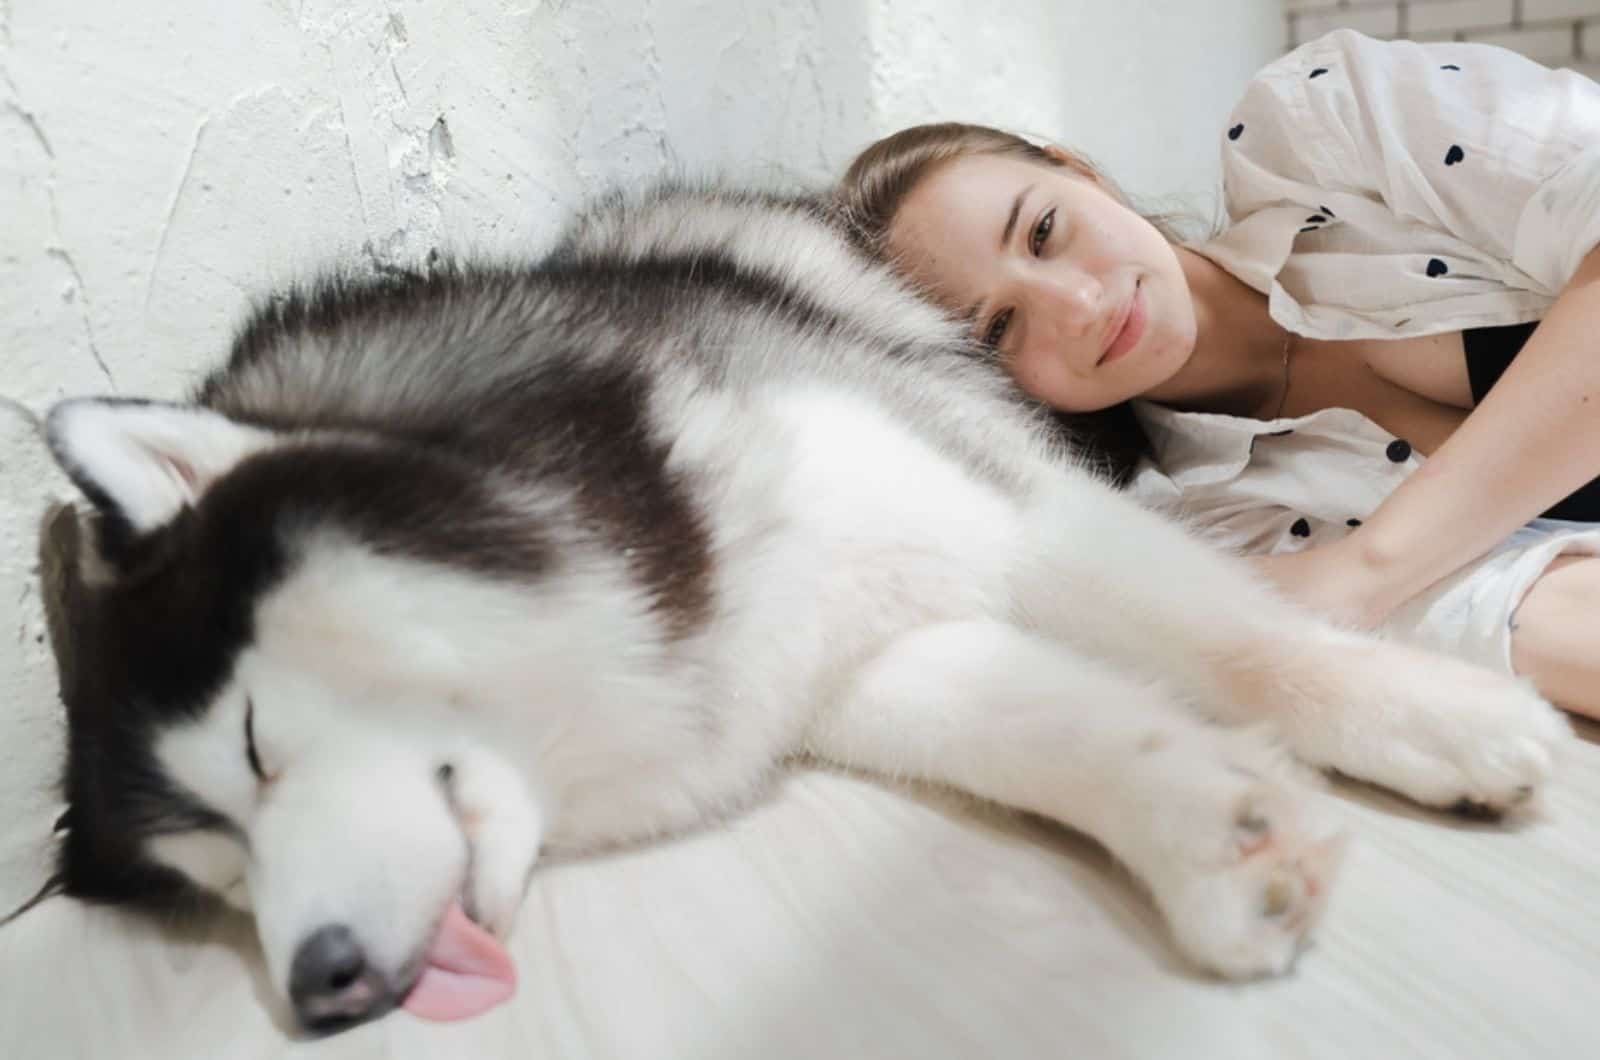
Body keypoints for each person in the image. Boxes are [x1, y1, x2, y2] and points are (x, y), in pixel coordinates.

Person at [834, 29, 1600, 720]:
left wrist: (1367, 569)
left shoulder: (1322, 128)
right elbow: (1526, 623)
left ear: (1080, 173)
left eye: (1044, 231)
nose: (1077, 305)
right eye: (999, 328)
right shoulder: (1210, 524)